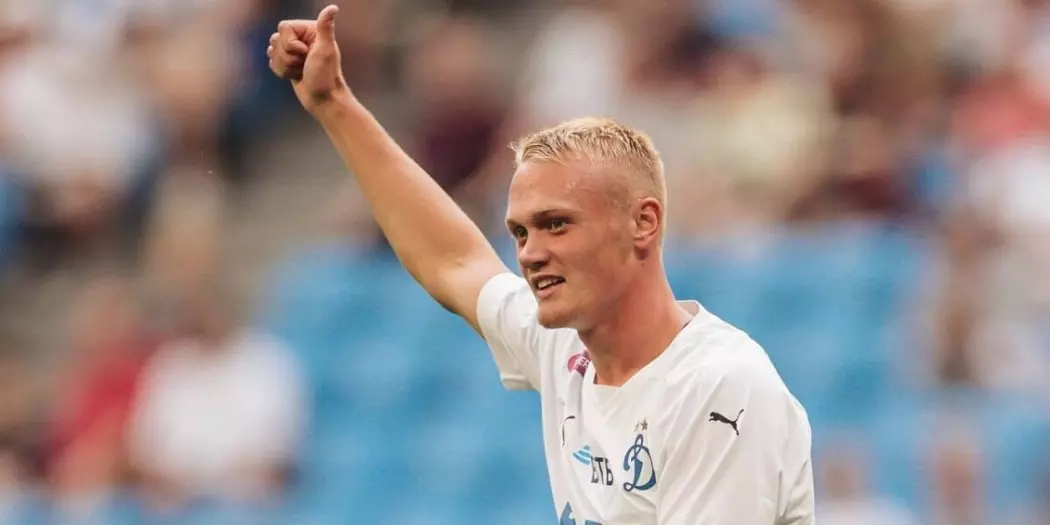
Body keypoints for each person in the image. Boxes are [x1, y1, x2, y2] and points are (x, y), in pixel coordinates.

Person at [267, 6, 815, 523]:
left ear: (644, 223)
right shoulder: (566, 347)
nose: (530, 253)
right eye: (520, 232)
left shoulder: (719, 386)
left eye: (557, 224)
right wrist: (334, 104)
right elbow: (454, 261)